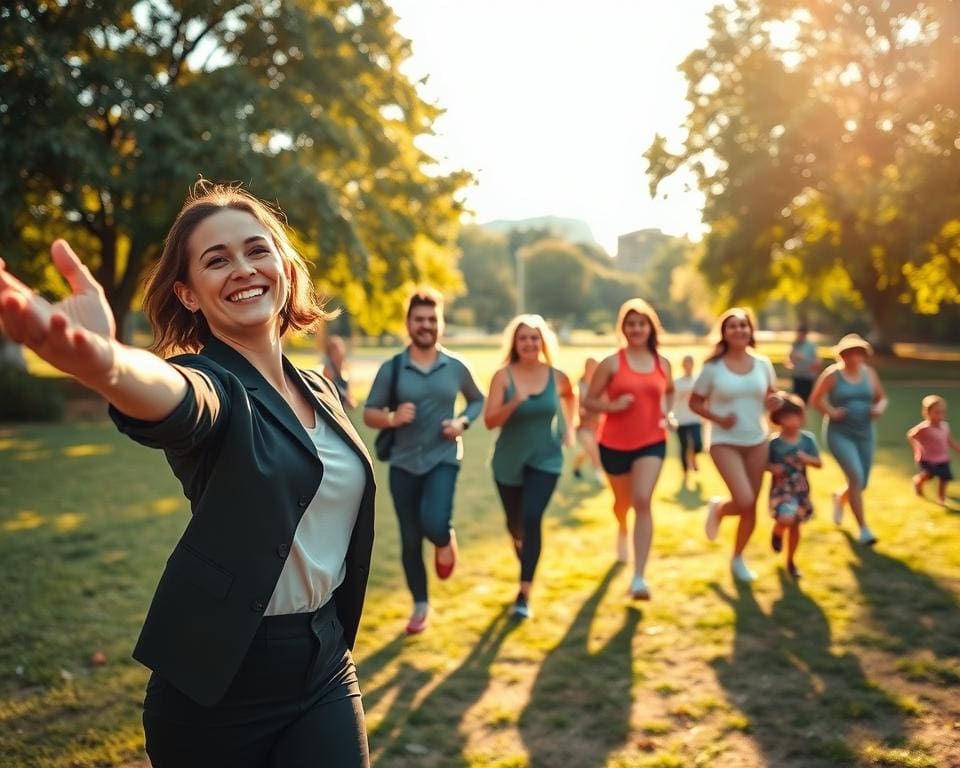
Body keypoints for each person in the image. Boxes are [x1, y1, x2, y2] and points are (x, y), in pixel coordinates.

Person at [0, 184, 375, 767]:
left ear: (283, 266)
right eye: (216, 259)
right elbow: (181, 399)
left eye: (257, 250)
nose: (243, 268)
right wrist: (108, 363)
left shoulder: (321, 390)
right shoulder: (212, 383)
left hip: (323, 665)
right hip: (217, 688)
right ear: (189, 294)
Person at [363, 289, 483, 635]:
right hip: (403, 464)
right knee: (410, 539)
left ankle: (444, 541)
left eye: (432, 319)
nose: (426, 325)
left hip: (443, 458)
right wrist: (392, 418)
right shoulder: (393, 368)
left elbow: (477, 400)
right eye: (420, 319)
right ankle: (420, 605)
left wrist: (461, 422)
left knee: (433, 523)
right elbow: (369, 413)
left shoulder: (456, 366)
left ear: (440, 323)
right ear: (409, 324)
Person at [483, 314, 577, 619]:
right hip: (508, 462)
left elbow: (570, 395)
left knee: (532, 517)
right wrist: (515, 402)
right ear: (515, 343)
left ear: (542, 342)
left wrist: (570, 427)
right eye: (523, 338)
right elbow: (489, 421)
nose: (529, 343)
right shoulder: (503, 377)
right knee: (516, 525)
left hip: (546, 458)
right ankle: (521, 542)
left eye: (534, 338)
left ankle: (524, 594)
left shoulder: (556, 376)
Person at [582, 299, 674, 600]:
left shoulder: (663, 363)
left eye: (642, 324)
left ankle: (639, 577)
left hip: (652, 441)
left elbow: (669, 392)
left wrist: (669, 414)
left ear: (651, 327)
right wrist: (612, 405)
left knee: (643, 500)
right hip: (614, 444)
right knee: (622, 503)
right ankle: (622, 528)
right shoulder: (612, 362)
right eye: (631, 324)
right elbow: (589, 401)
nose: (636, 329)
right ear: (623, 328)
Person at [689, 308, 780, 582]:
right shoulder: (712, 368)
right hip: (723, 441)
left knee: (750, 507)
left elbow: (770, 396)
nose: (739, 330)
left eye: (743, 326)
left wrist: (774, 402)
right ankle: (718, 509)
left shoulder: (763, 363)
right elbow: (695, 402)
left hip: (757, 440)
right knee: (743, 500)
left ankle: (738, 557)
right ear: (724, 333)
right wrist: (718, 418)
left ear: (750, 331)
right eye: (732, 326)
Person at [809, 333, 887, 546]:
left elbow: (881, 398)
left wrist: (878, 409)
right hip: (840, 433)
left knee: (861, 483)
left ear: (863, 355)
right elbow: (815, 399)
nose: (854, 357)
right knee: (855, 476)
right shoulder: (833, 374)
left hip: (866, 433)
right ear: (842, 355)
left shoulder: (869, 373)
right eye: (850, 353)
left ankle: (839, 497)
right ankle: (863, 529)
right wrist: (831, 412)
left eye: (859, 353)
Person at [766, 392, 822, 580]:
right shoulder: (774, 443)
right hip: (781, 489)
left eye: (796, 416)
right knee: (786, 518)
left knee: (796, 525)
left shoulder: (807, 440)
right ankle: (778, 531)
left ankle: (791, 561)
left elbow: (819, 463)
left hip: (800, 489)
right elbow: (764, 464)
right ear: (778, 419)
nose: (792, 421)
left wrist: (807, 459)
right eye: (787, 417)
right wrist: (772, 468)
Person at [907, 395, 959, 504]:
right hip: (927, 458)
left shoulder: (945, 426)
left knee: (945, 478)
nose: (940, 415)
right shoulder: (924, 428)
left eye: (942, 412)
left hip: (943, 458)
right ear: (927, 413)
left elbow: (948, 440)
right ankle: (918, 481)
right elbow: (911, 435)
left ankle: (941, 497)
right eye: (937, 412)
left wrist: (957, 448)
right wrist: (917, 448)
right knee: (928, 475)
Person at [571, 356, 604, 485]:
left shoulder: (601, 384)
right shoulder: (579, 386)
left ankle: (576, 468)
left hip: (598, 424)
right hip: (583, 425)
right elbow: (577, 408)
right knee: (591, 447)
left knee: (586, 450)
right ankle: (598, 474)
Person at [673, 354, 704, 489]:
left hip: (695, 418)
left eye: (689, 363)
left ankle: (694, 458)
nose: (687, 365)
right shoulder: (677, 382)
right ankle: (685, 472)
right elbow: (671, 399)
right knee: (684, 446)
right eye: (685, 363)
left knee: (698, 444)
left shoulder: (698, 381)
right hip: (681, 419)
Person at [321, 333, 356, 409]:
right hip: (332, 406)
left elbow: (348, 391)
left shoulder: (345, 367)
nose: (340, 352)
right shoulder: (327, 369)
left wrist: (350, 399)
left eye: (341, 348)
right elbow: (332, 389)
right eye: (336, 350)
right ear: (330, 353)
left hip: (342, 407)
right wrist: (346, 398)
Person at [787, 325, 821, 402]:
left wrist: (803, 358)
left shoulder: (811, 346)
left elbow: (817, 362)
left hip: (807, 377)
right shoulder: (795, 345)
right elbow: (789, 360)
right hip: (797, 376)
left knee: (805, 399)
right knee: (795, 399)